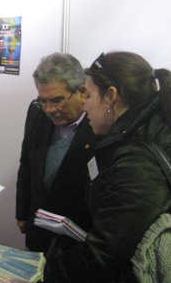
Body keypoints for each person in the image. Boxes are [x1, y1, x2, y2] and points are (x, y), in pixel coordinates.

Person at [44, 51, 171, 283]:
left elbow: (105, 256)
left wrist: (55, 264)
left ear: (111, 96)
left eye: (89, 96)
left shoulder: (137, 162)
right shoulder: (131, 137)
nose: (85, 106)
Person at [15, 52, 102, 254]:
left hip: (77, 241)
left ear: (82, 92)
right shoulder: (36, 111)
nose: (49, 109)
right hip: (37, 231)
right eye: (43, 101)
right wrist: (22, 212)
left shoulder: (98, 126)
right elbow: (27, 163)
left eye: (57, 100)